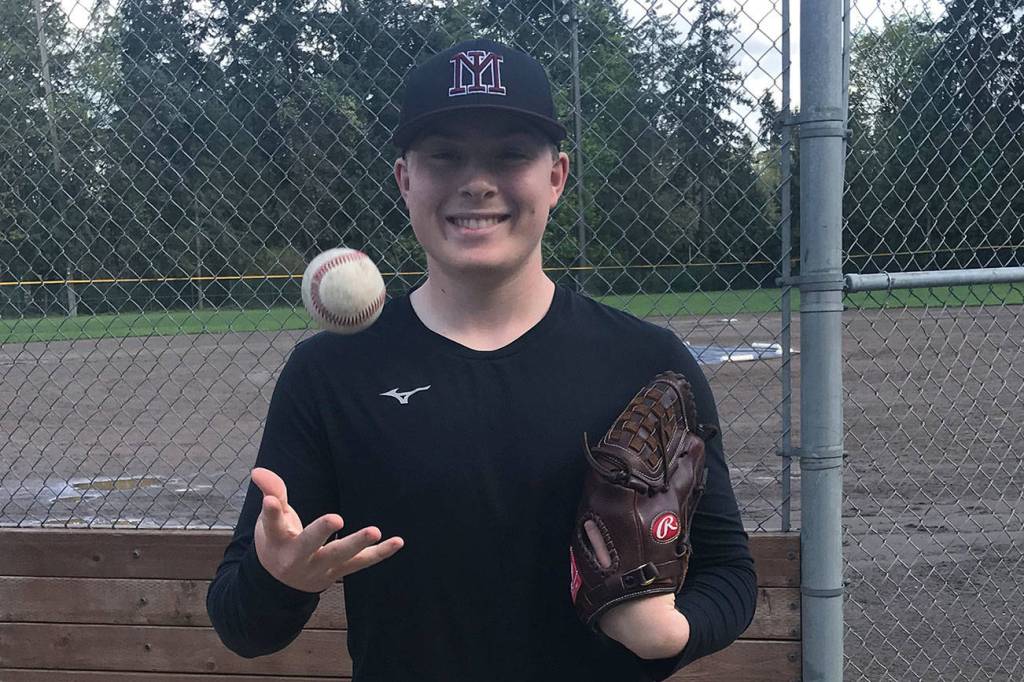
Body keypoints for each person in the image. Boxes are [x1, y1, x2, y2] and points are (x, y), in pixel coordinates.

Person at [207, 37, 756, 681]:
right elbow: (242, 626)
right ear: (404, 179)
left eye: (511, 154)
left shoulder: (644, 360)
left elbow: (730, 573)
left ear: (556, 177)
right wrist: (279, 579)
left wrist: (670, 634)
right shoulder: (332, 373)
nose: (476, 182)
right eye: (444, 156)